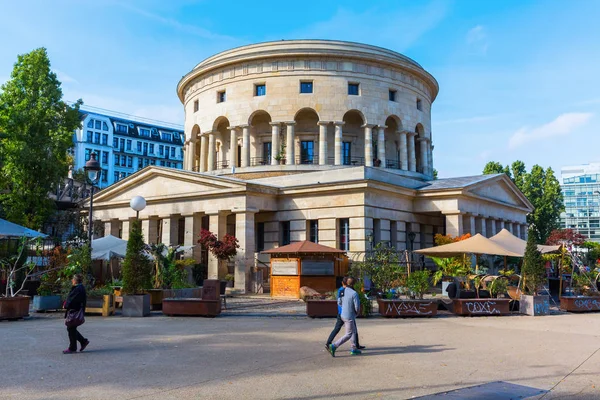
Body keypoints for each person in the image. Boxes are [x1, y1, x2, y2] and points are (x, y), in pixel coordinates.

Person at [325, 277, 364, 351]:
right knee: (349, 334)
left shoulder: (342, 291)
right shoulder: (354, 293)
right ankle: (333, 346)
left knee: (353, 331)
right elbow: (357, 307)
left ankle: (354, 348)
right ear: (354, 284)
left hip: (342, 314)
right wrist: (356, 312)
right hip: (349, 315)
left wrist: (345, 307)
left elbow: (339, 302)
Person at [63, 274, 89, 354]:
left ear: (75, 280)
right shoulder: (80, 288)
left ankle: (73, 347)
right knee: (71, 328)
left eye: (72, 279)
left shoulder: (78, 289)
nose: (71, 280)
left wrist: (65, 305)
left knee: (71, 328)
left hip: (75, 311)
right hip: (76, 310)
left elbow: (72, 300)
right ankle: (83, 341)